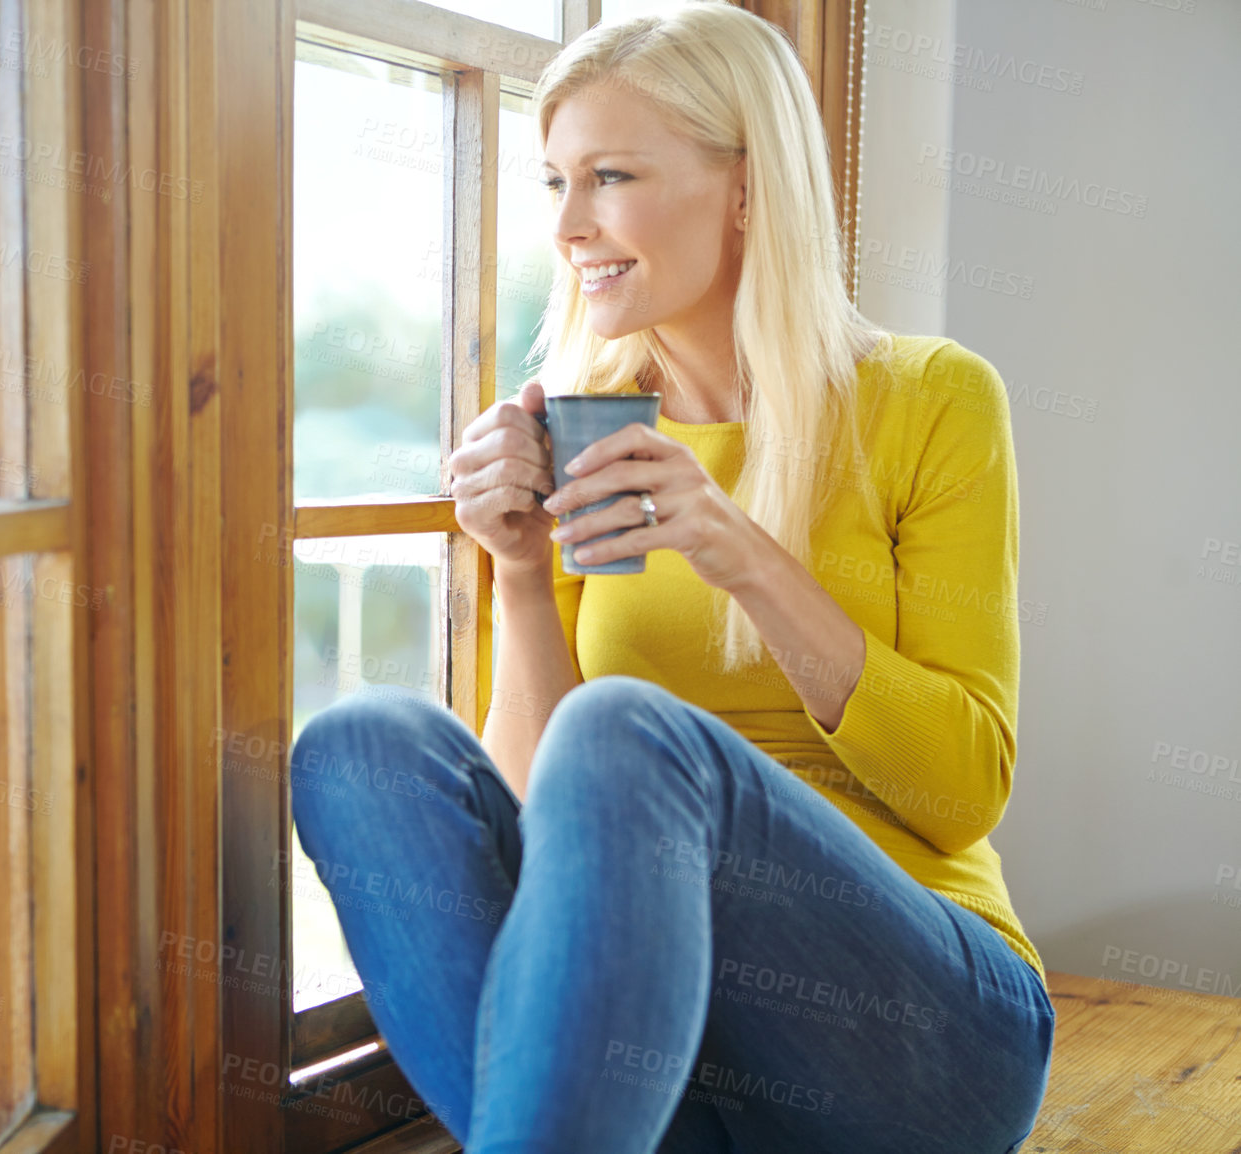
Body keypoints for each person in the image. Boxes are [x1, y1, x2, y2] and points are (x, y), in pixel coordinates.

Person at [288, 5, 1054, 1153]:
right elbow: (546, 833)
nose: (568, 225)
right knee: (359, 749)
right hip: (669, 1059)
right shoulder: (595, 428)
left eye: (608, 175)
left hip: (921, 1038)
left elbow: (962, 793)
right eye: (554, 181)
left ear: (747, 187)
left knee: (628, 728)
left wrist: (739, 550)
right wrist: (519, 574)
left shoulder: (930, 400)